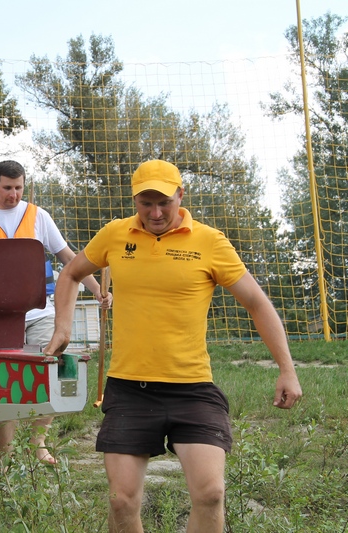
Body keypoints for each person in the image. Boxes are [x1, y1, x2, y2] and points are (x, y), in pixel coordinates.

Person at [44, 159, 303, 532]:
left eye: (164, 202)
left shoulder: (210, 242)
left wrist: (287, 369)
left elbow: (257, 303)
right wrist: (63, 328)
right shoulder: (115, 234)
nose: (155, 213)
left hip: (192, 389)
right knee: (121, 501)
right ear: (134, 200)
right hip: (129, 388)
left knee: (210, 493)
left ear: (181, 195)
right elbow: (70, 273)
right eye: (145, 203)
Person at [0, 160, 107, 464]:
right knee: (5, 381)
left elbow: (69, 258)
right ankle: (6, 453)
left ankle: (38, 443)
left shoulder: (39, 216)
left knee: (50, 370)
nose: (13, 194)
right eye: (7, 188)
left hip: (40, 313)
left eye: (18, 188)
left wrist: (96, 289)